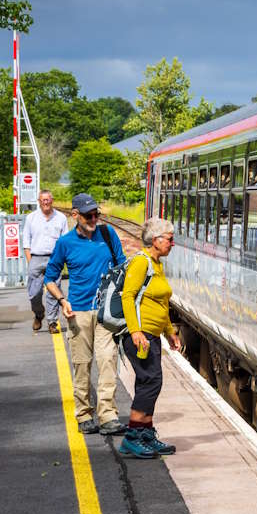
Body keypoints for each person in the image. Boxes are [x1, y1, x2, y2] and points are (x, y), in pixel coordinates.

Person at [44, 193, 127, 436]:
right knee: (82, 365)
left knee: (108, 360)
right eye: (88, 215)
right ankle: (83, 414)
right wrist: (62, 300)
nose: (94, 219)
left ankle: (108, 415)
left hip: (106, 312)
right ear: (75, 216)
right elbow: (50, 277)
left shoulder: (108, 235)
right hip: (77, 312)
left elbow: (122, 266)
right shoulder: (65, 243)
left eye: (96, 214)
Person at [118, 217, 181, 458]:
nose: (172, 244)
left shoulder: (157, 264)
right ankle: (132, 437)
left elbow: (161, 304)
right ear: (156, 241)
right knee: (150, 382)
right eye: (169, 239)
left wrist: (169, 332)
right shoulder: (140, 263)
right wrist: (135, 332)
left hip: (152, 335)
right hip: (140, 335)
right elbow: (128, 296)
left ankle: (145, 433)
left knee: (149, 382)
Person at [23, 189, 69, 335]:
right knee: (34, 293)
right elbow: (26, 242)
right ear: (39, 201)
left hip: (54, 259)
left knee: (53, 292)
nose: (45, 202)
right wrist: (30, 262)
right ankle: (38, 314)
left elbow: (65, 241)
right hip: (35, 258)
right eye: (43, 200)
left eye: (48, 199)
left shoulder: (61, 218)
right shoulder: (31, 218)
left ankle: (52, 322)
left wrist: (62, 260)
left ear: (52, 200)